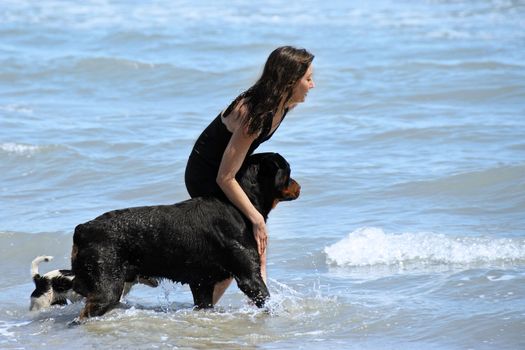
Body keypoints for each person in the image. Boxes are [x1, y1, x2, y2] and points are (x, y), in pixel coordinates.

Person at [184, 46, 315, 305]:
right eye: (308, 79)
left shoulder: (283, 105)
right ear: (289, 81)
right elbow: (225, 177)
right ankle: (210, 311)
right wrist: (256, 218)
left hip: (230, 170)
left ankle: (251, 300)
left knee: (251, 243)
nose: (313, 85)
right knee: (243, 244)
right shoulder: (255, 113)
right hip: (208, 174)